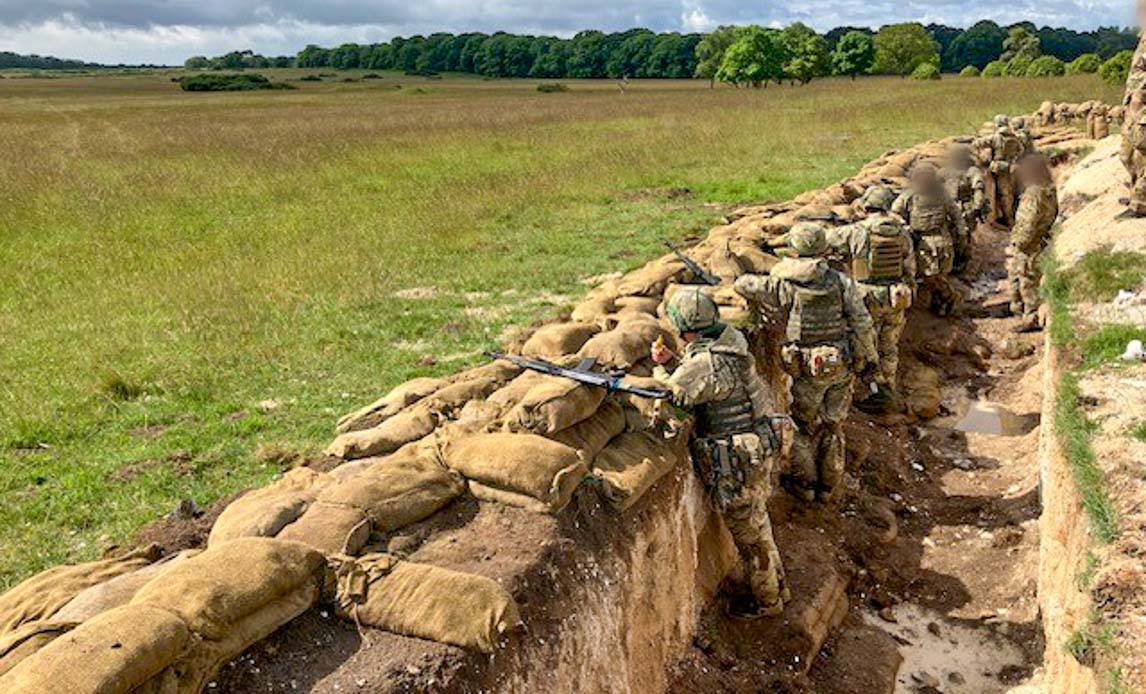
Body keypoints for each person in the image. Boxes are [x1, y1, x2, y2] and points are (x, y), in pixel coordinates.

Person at [652, 288, 790, 617]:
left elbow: (672, 397)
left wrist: (660, 371)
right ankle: (778, 585)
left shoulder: (706, 363)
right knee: (759, 523)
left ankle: (768, 603)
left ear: (686, 329)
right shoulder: (732, 343)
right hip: (756, 449)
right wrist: (673, 362)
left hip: (736, 462)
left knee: (749, 536)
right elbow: (700, 378)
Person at [734, 223, 877, 504]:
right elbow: (861, 321)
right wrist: (870, 357)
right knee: (832, 425)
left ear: (794, 251)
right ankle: (828, 486)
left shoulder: (781, 284)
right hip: (840, 364)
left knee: (802, 425)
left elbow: (744, 285)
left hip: (804, 367)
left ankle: (805, 483)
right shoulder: (840, 282)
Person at [827, 186, 915, 406]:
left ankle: (874, 392)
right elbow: (910, 266)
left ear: (868, 206)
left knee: (867, 347)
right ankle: (889, 387)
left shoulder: (858, 231)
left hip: (866, 297)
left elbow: (825, 240)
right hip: (896, 295)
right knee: (889, 345)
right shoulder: (901, 232)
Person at [893, 163, 964, 315]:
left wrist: (961, 232)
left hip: (941, 239)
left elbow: (956, 214)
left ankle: (945, 302)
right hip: (922, 241)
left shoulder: (942, 196)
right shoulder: (910, 196)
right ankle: (950, 298)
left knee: (938, 275)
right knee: (929, 275)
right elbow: (895, 213)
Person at [1008, 155, 1059, 332]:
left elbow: (1028, 222)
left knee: (1027, 279)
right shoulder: (1047, 188)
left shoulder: (1033, 193)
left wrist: (1019, 243)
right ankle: (1018, 307)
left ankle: (1031, 317)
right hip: (1039, 241)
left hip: (1031, 244)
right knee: (1020, 275)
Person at [941, 145, 987, 273]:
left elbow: (978, 188)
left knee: (964, 234)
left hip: (965, 206)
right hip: (948, 206)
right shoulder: (945, 171)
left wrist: (977, 206)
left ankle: (964, 261)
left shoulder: (972, 171)